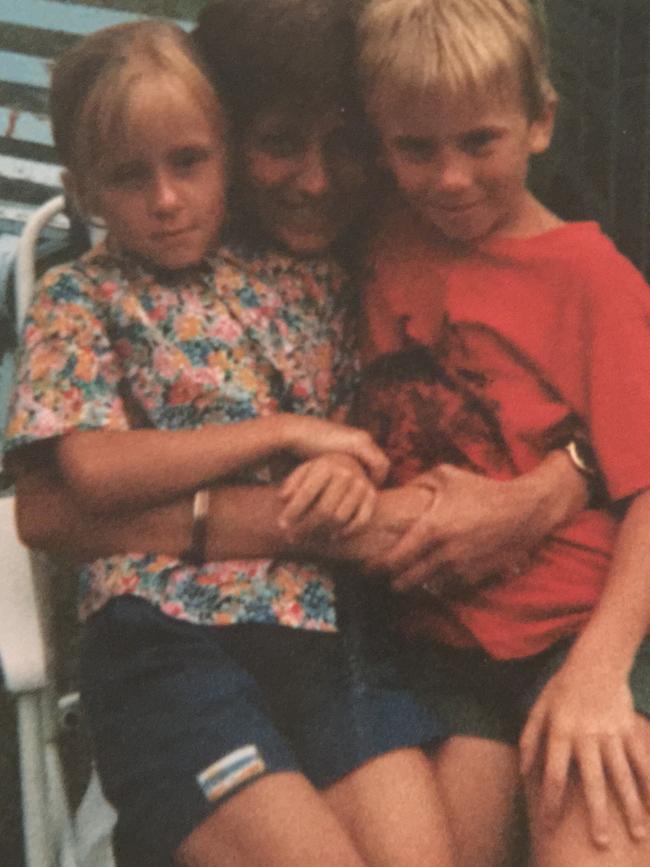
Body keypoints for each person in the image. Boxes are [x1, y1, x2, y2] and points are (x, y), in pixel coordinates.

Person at [5, 3, 591, 866]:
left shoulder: (377, 243)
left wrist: (542, 481)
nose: (318, 181)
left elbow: (394, 429)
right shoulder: (97, 289)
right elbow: (57, 502)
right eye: (279, 142)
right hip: (178, 634)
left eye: (348, 142)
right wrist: (291, 469)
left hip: (342, 638)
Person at [356, 0, 650, 864]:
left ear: (541, 123)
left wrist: (600, 668)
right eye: (417, 148)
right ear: (380, 142)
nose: (449, 178)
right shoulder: (376, 243)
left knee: (593, 830)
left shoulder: (590, 277)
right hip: (443, 653)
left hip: (581, 627)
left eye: (480, 142)